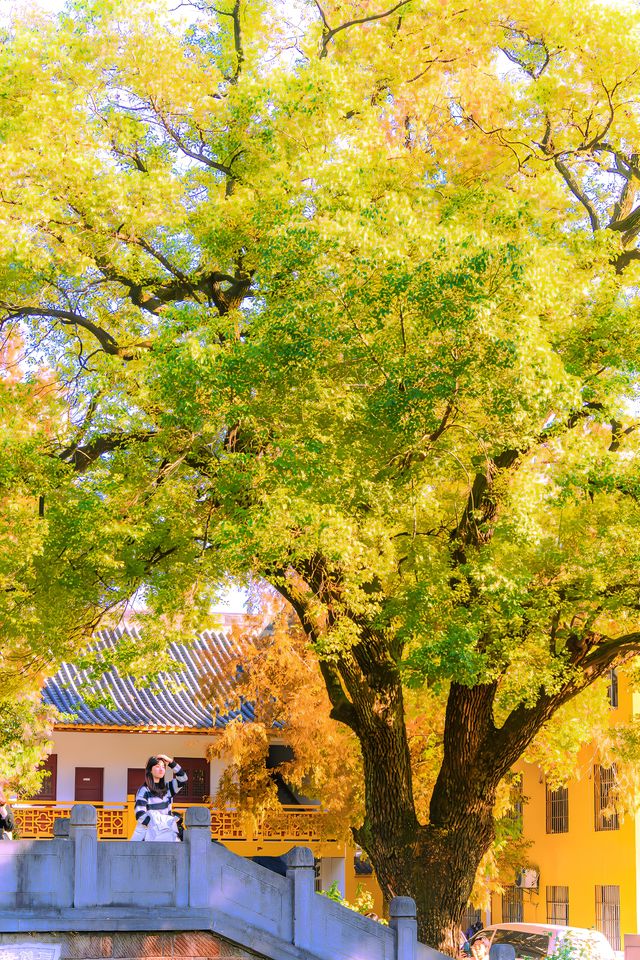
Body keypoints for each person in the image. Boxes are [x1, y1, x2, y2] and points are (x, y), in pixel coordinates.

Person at [132, 754, 188, 842]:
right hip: (151, 834)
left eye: (163, 767)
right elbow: (140, 814)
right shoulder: (144, 790)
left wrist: (170, 762)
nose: (161, 769)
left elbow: (183, 778)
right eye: (157, 766)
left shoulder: (168, 788)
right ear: (150, 769)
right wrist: (157, 824)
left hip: (167, 832)